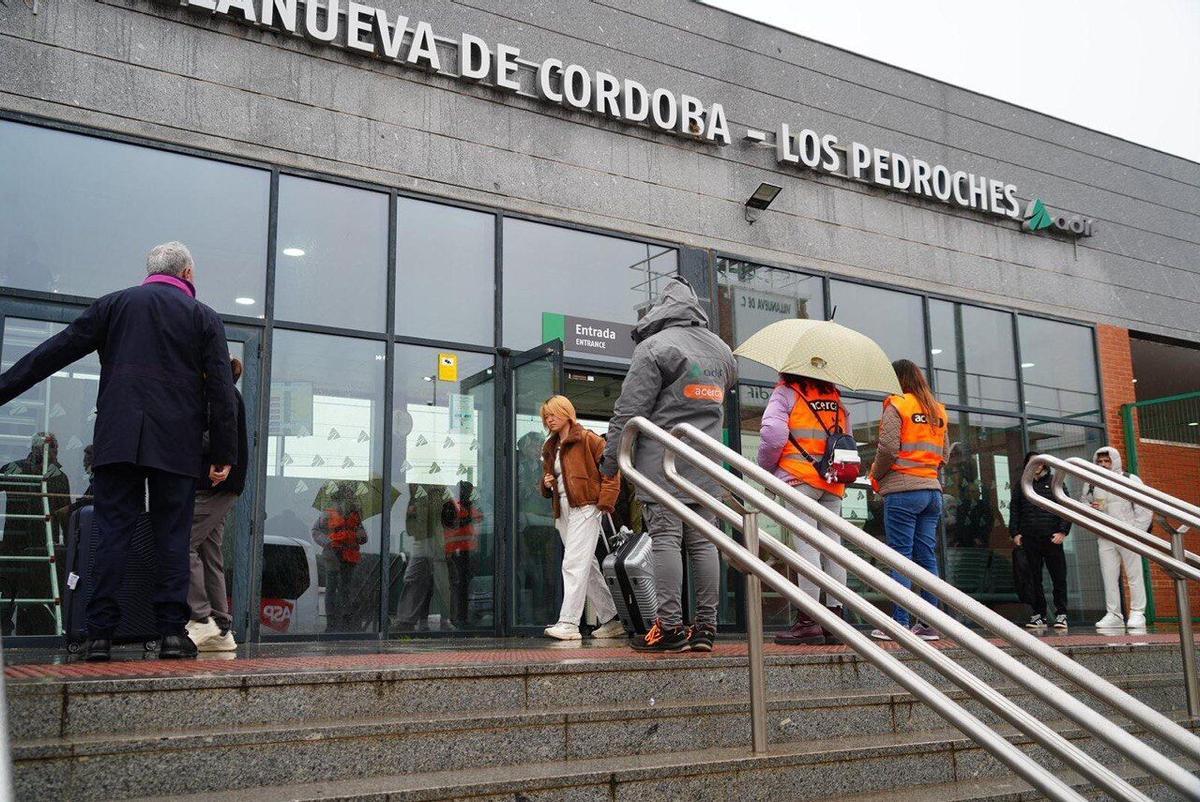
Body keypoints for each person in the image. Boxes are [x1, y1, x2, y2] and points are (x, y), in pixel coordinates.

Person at [0, 241, 237, 661]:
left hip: (118, 438)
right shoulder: (203, 317)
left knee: (112, 533)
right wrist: (222, 453)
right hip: (176, 445)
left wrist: (4, 388)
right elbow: (220, 388)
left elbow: (54, 352)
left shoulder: (114, 306)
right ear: (186, 274)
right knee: (171, 536)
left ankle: (99, 635)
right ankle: (170, 634)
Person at [600, 277, 737, 653]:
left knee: (665, 539)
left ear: (662, 307)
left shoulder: (654, 347)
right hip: (705, 465)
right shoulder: (722, 351)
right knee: (704, 542)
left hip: (662, 464)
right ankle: (707, 628)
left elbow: (629, 412)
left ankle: (671, 627)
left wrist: (610, 463)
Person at [757, 374, 849, 645]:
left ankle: (808, 621)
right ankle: (835, 620)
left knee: (807, 549)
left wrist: (765, 469)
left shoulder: (786, 393)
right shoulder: (835, 397)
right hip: (832, 481)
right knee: (834, 549)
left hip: (799, 478)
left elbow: (773, 436)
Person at [868, 359, 948, 642]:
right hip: (932, 492)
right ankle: (928, 624)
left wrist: (874, 474)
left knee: (900, 556)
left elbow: (888, 449)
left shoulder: (898, 404)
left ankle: (899, 623)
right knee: (926, 556)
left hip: (903, 491)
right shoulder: (937, 411)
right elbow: (945, 455)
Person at [538, 396, 625, 641]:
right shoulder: (551, 445)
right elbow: (551, 478)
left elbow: (612, 470)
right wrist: (547, 484)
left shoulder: (588, 439)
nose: (549, 419)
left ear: (567, 412)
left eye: (553, 414)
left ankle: (568, 623)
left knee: (573, 563)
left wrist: (605, 502)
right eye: (546, 416)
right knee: (586, 566)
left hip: (586, 507)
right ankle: (611, 618)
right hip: (563, 508)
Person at [185, 356, 249, 652]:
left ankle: (200, 618)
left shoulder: (220, 396)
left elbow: (216, 435)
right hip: (221, 485)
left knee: (182, 543)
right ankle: (221, 629)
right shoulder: (226, 394)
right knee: (210, 551)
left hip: (213, 484)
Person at [0, 432, 72, 636]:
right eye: (52, 447)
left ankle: (34, 639)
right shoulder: (15, 469)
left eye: (56, 447)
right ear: (36, 450)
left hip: (41, 550)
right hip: (13, 548)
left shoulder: (58, 477)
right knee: (6, 601)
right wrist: (4, 475)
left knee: (36, 605)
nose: (56, 451)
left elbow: (65, 514)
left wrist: (68, 548)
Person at [1087, 446, 1151, 630]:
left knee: (1134, 575)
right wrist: (1091, 510)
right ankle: (1113, 614)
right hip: (1105, 535)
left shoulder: (1130, 479)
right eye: (1099, 461)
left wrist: (1136, 532)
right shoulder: (1092, 482)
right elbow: (1083, 502)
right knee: (1109, 576)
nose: (1103, 464)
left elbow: (1145, 508)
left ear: (1115, 460)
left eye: (1107, 461)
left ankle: (1138, 612)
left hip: (1128, 533)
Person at [1009, 451, 1071, 629]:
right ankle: (1039, 615)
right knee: (1033, 578)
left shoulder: (1055, 482)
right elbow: (1014, 510)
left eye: (1037, 463)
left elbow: (1066, 507)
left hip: (1052, 539)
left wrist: (1063, 531)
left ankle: (1061, 614)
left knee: (1058, 578)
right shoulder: (1021, 485)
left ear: (1043, 464)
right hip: (1029, 539)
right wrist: (1015, 533)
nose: (1034, 467)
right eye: (1030, 464)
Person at [311, 482, 368, 633]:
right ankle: (332, 623)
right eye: (350, 495)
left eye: (353, 496)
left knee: (345, 589)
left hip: (349, 557)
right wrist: (329, 543)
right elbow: (315, 531)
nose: (353, 498)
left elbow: (363, 537)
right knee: (332, 588)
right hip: (333, 555)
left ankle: (345, 622)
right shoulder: (328, 513)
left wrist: (361, 536)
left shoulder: (356, 516)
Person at [442, 480, 481, 628]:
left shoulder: (468, 507)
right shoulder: (454, 506)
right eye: (466, 491)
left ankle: (462, 617)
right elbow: (457, 523)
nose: (468, 494)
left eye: (469, 491)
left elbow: (479, 518)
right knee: (456, 585)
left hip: (467, 551)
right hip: (455, 552)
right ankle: (456, 617)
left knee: (464, 585)